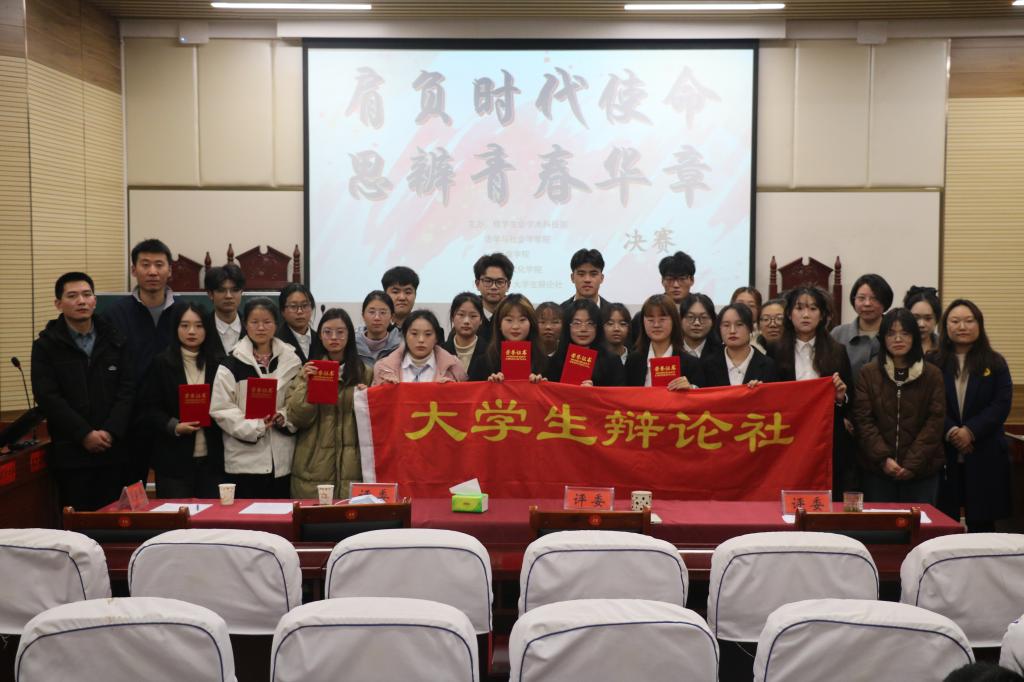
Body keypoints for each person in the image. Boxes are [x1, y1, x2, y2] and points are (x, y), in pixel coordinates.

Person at [31, 272, 135, 511]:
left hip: (114, 451)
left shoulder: (116, 339)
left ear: (95, 301)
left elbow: (128, 389)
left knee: (115, 521)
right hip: (72, 454)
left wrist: (110, 431)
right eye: (72, 296)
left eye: (87, 295)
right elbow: (47, 396)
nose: (81, 301)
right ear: (58, 303)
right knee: (78, 523)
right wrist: (84, 434)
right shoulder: (46, 345)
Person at [105, 238, 185, 486]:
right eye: (145, 264)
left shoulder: (185, 312)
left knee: (176, 491)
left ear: (170, 270)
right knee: (130, 492)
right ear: (134, 270)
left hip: (174, 419)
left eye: (159, 265)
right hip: (130, 419)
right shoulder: (115, 314)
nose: (152, 271)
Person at [932, 299, 1013, 532]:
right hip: (944, 453)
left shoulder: (995, 363)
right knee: (943, 524)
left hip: (984, 450)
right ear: (945, 326)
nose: (962, 326)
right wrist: (952, 431)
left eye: (969, 321)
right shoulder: (933, 361)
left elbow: (1001, 404)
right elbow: (929, 405)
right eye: (955, 321)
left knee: (983, 524)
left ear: (979, 325)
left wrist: (970, 431)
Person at [210, 298, 302, 499]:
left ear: (276, 324)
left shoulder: (291, 361)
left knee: (281, 514)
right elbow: (221, 408)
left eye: (267, 322)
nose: (261, 327)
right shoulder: (231, 363)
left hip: (283, 460)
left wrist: (284, 416)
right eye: (254, 322)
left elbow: (296, 400)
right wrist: (256, 426)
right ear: (245, 324)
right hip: (244, 461)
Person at [853, 308, 946, 504]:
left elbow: (935, 422)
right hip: (877, 471)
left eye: (905, 333)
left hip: (922, 471)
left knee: (920, 523)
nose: (898, 339)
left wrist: (912, 463)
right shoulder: (868, 373)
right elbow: (863, 420)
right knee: (880, 523)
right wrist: (884, 459)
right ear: (882, 338)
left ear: (914, 337)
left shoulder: (932, 374)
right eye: (891, 333)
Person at [770, 286, 854, 499]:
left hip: (826, 438)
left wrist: (840, 398)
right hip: (786, 437)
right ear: (789, 314)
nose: (806, 315)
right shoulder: (775, 350)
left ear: (823, 315)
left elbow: (850, 400)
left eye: (813, 308)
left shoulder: (837, 351)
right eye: (799, 308)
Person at [138, 303, 225, 498]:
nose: (191, 331)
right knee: (177, 515)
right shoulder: (161, 363)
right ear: (175, 328)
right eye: (184, 325)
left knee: (212, 515)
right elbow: (149, 408)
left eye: (199, 326)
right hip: (173, 461)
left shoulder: (219, 363)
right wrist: (174, 426)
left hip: (213, 461)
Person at [285, 308, 372, 500]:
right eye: (327, 332)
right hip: (314, 464)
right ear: (320, 336)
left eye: (340, 332)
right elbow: (296, 418)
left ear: (349, 335)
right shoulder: (309, 370)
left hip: (354, 464)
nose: (334, 337)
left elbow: (376, 423)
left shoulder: (365, 373)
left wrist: (369, 398)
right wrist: (307, 385)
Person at [625, 294, 704, 389]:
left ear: (674, 321)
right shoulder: (633, 360)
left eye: (662, 319)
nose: (656, 325)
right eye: (650, 320)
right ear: (643, 322)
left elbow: (703, 395)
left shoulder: (690, 363)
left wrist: (691, 388)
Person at [469, 293, 549, 383]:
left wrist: (542, 385)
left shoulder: (544, 361)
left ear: (531, 323)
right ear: (499, 324)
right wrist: (489, 385)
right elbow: (472, 390)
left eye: (522, 320)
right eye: (509, 320)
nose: (515, 326)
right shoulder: (483, 362)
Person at [372, 310, 468, 385]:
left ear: (436, 338)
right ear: (405, 335)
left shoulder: (453, 367)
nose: (421, 340)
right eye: (414, 334)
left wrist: (451, 391)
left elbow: (466, 399)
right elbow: (374, 401)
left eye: (428, 334)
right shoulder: (384, 368)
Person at [831, 273, 894, 382]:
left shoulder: (895, 334)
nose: (867, 303)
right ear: (853, 300)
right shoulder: (838, 334)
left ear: (885, 301)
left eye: (874, 298)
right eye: (861, 298)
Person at [547, 300, 625, 386]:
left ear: (598, 327)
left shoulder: (612, 361)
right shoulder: (556, 360)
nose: (583, 329)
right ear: (568, 327)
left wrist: (593, 391)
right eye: (577, 323)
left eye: (590, 323)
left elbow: (618, 393)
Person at [701, 304, 777, 387]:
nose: (732, 331)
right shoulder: (706, 365)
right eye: (726, 325)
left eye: (739, 324)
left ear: (751, 328)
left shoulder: (768, 365)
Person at [204, 263, 246, 356]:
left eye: (235, 290)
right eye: (221, 290)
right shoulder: (202, 328)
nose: (228, 296)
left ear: (241, 292)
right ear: (210, 294)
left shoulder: (252, 327)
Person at [442, 292, 486, 377]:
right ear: (452, 317)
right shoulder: (440, 352)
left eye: (473, 316)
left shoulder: (491, 353)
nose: (466, 321)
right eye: (461, 315)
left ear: (481, 320)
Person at [276, 283, 322, 364]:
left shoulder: (320, 340)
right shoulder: (276, 341)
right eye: (293, 306)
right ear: (283, 311)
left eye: (305, 305)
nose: (300, 311)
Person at [354, 290, 402, 367]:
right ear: (363, 316)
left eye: (383, 312)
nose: (377, 318)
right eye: (372, 312)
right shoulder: (352, 344)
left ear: (392, 316)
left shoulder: (401, 346)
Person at [473, 253, 514, 343]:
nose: (493, 287)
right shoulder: (468, 314)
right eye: (488, 281)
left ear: (508, 285)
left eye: (500, 281)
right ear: (477, 284)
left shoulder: (516, 315)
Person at [561, 248, 611, 314]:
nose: (587, 280)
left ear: (601, 278)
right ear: (572, 278)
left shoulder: (611, 313)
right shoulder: (560, 312)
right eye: (581, 274)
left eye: (593, 274)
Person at [680, 293, 722, 361]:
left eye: (703, 317)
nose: (697, 323)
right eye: (690, 317)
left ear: (713, 321)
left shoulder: (721, 353)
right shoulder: (671, 350)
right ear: (680, 319)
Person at [904, 285, 942, 355]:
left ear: (936, 319)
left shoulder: (945, 347)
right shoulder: (897, 346)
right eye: (916, 318)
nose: (921, 324)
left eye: (928, 318)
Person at [381, 266, 419, 330]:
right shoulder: (374, 330)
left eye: (408, 292)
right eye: (395, 292)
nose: (402, 298)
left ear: (415, 295)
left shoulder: (425, 329)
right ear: (385, 295)